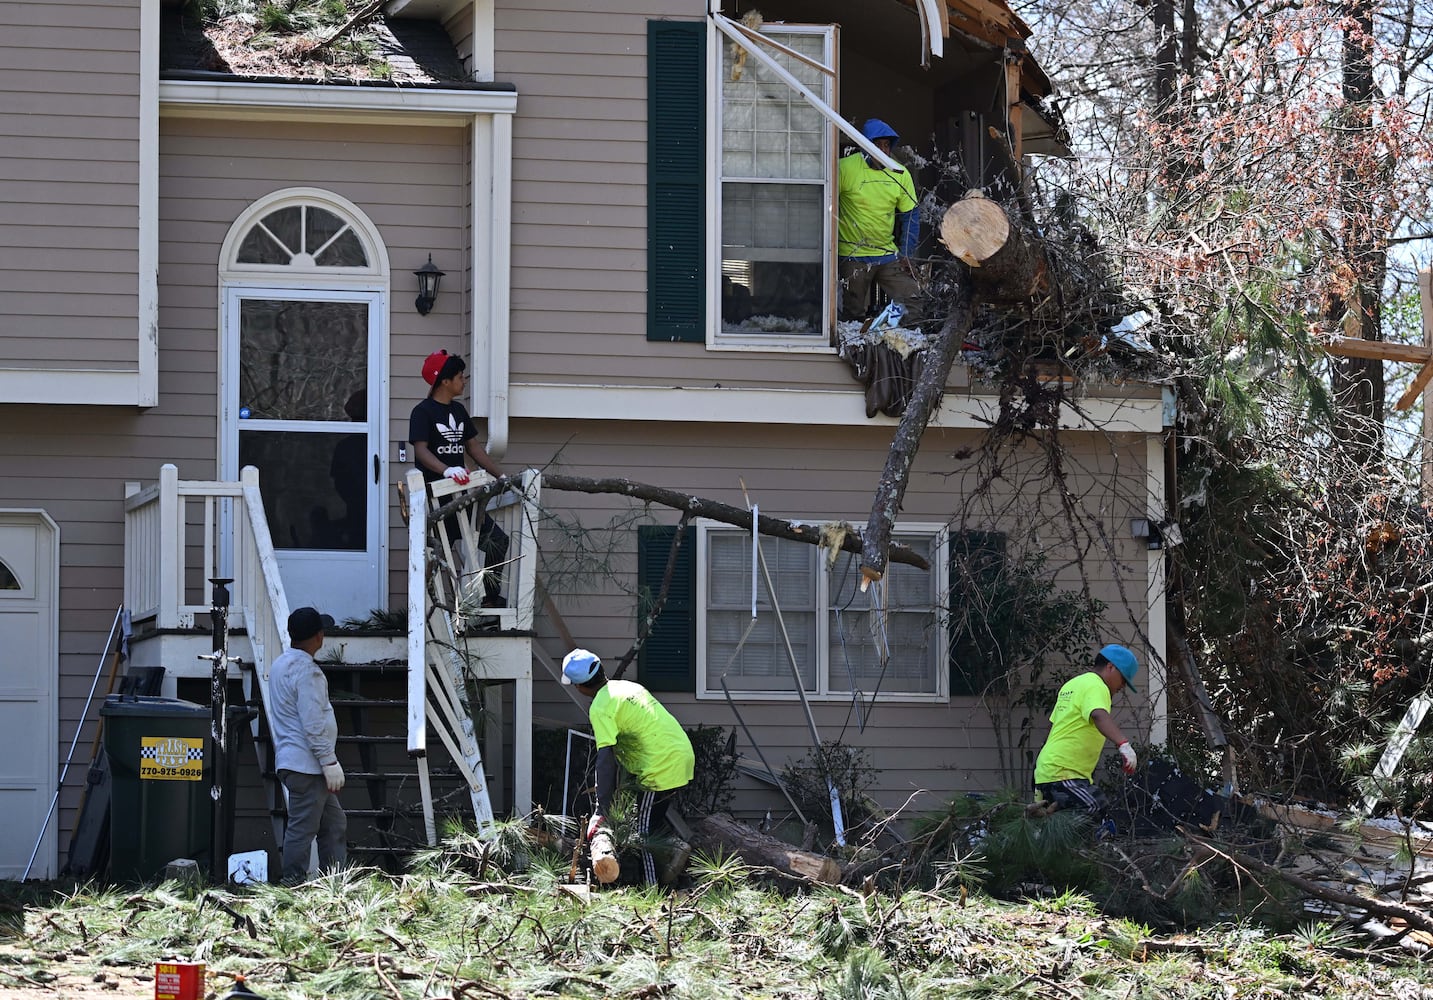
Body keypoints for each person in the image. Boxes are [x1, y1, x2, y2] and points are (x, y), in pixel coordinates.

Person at [562, 648, 695, 886]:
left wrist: (601, 810)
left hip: (658, 767)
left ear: (580, 687)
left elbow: (605, 759)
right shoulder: (628, 687)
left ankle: (652, 893)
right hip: (680, 754)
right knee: (651, 822)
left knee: (643, 836)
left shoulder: (601, 707)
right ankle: (675, 850)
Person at [409, 350, 509, 609]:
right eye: (459, 376)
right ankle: (433, 610)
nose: (463, 381)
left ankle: (489, 597)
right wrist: (446, 470)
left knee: (497, 540)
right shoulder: (423, 412)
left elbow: (473, 449)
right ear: (444, 381)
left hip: (465, 500)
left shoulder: (459, 411)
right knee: (437, 557)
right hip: (439, 502)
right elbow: (421, 450)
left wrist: (501, 475)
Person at [268, 606, 347, 884]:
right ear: (319, 636)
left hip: (294, 761)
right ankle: (292, 885)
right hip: (309, 766)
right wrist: (328, 760)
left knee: (334, 824)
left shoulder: (280, 665)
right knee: (303, 829)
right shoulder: (307, 671)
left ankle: (334, 885)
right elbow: (313, 721)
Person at [1032, 643, 1140, 819]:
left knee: (1061, 822)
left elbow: (1054, 729)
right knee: (1094, 807)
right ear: (1111, 667)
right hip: (1063, 772)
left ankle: (1048, 831)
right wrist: (1123, 744)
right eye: (1123, 679)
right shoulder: (1096, 685)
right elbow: (1098, 714)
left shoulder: (1073, 685)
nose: (1122, 687)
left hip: (1049, 770)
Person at [838, 118, 922, 323]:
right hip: (852, 254)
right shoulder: (845, 168)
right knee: (852, 313)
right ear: (864, 145)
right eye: (876, 144)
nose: (882, 150)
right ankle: (857, 350)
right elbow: (824, 203)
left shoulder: (900, 173)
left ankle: (900, 346)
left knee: (912, 301)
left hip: (886, 253)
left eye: (886, 145)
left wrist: (906, 254)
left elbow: (911, 215)